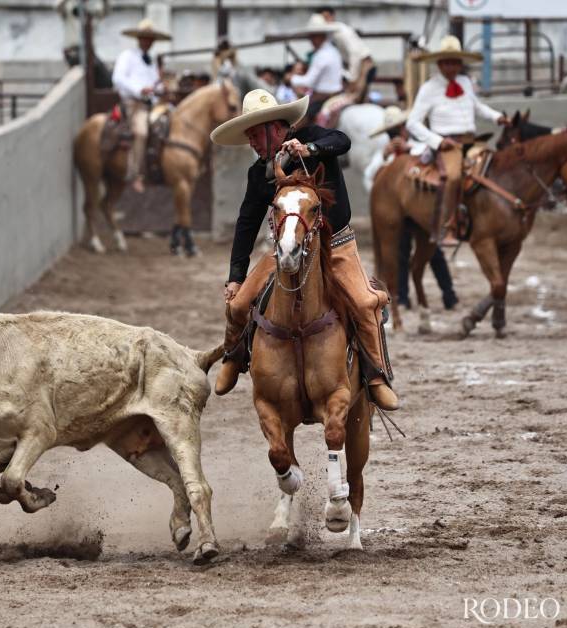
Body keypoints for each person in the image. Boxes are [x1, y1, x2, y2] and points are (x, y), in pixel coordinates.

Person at [209, 89, 399, 411]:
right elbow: (246, 224)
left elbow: (342, 140)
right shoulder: (259, 173)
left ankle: (377, 376)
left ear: (274, 127)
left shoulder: (312, 137)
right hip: (286, 249)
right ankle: (234, 356)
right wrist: (235, 277)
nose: (252, 144)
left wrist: (309, 149)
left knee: (365, 303)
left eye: (255, 135)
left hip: (335, 244)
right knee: (240, 304)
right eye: (250, 137)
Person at [406, 35, 508, 245]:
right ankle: (445, 228)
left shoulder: (465, 82)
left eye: (455, 62)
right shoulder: (429, 88)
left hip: (472, 141)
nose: (451, 67)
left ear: (461, 64)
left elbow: (477, 106)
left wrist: (497, 117)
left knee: (496, 167)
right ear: (439, 63)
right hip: (448, 145)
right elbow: (412, 123)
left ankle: (490, 221)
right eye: (447, 62)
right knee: (452, 177)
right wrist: (437, 141)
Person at [366, 107, 458, 310]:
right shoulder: (384, 153)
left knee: (434, 253)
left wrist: (408, 149)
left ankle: (448, 294)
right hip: (395, 207)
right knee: (400, 252)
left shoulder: (419, 145)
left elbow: (428, 156)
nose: (396, 135)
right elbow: (370, 178)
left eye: (397, 129)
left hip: (420, 203)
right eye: (391, 132)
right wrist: (384, 157)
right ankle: (403, 298)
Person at [111, 19, 171, 194]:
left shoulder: (151, 61)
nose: (148, 41)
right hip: (133, 104)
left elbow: (153, 84)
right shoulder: (127, 56)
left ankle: (159, 167)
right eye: (145, 38)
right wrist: (139, 90)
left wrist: (161, 88)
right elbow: (118, 78)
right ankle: (135, 175)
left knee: (170, 122)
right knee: (141, 132)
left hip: (150, 104)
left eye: (151, 39)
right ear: (139, 39)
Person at [291, 14, 344, 123]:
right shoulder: (333, 51)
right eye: (311, 36)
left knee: (297, 122)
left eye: (314, 36)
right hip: (335, 94)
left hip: (323, 97)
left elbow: (309, 81)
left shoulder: (321, 55)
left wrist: (291, 78)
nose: (311, 40)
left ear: (322, 35)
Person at [317, 6, 375, 102]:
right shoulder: (330, 33)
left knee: (357, 97)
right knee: (354, 97)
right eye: (323, 18)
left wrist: (353, 77)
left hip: (363, 64)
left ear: (332, 16)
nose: (325, 20)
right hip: (352, 66)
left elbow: (355, 53)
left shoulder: (341, 31)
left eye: (327, 17)